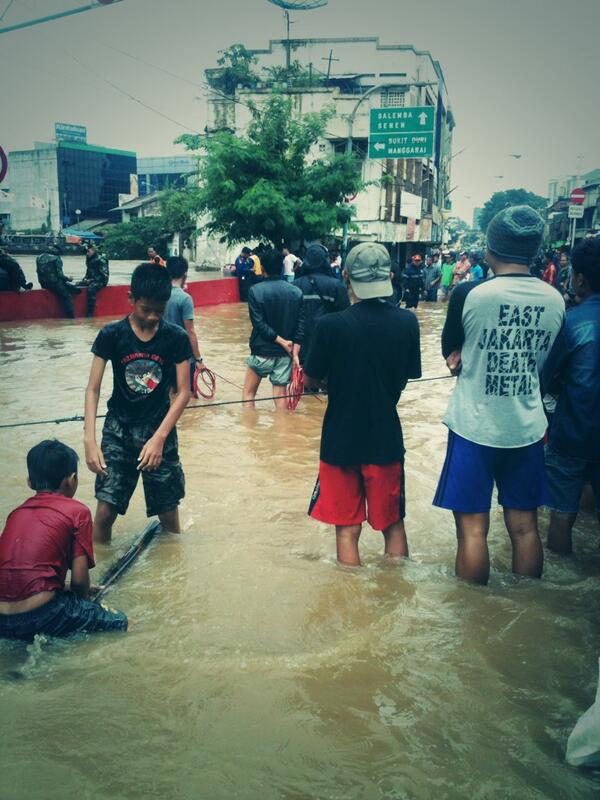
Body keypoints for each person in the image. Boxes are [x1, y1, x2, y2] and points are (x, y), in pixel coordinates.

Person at [433, 205, 565, 585]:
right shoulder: (555, 299)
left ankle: (474, 614)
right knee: (524, 528)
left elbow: (451, 354)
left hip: (474, 426)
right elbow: (546, 366)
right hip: (526, 428)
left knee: (473, 530)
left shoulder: (469, 294)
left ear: (489, 249)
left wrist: (460, 359)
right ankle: (525, 608)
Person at [303, 242, 421, 566]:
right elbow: (404, 378)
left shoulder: (329, 326)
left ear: (345, 277)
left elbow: (310, 380)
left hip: (340, 440)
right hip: (385, 439)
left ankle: (351, 606)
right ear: (390, 277)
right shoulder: (408, 322)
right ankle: (393, 598)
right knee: (393, 525)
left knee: (346, 530)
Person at [84, 262, 192, 543]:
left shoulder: (176, 337)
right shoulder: (112, 334)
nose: (153, 316)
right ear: (131, 299)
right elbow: (93, 389)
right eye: (146, 309)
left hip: (159, 431)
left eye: (160, 310)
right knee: (105, 512)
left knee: (168, 515)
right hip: (118, 431)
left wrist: (159, 438)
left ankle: (172, 572)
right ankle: (97, 573)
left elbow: (183, 392)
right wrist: (90, 440)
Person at [0, 440, 128, 640]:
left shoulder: (15, 514)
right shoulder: (77, 511)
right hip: (45, 613)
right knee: (125, 624)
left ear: (30, 482)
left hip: (3, 620)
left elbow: (19, 576)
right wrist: (86, 607)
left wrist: (64, 588)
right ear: (72, 479)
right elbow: (79, 584)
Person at [542, 237, 600, 555]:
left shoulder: (572, 321)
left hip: (573, 434)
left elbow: (547, 378)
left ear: (579, 279)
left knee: (562, 516)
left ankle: (559, 581)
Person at [243, 248, 305, 409]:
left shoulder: (255, 291)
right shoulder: (296, 292)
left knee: (248, 395)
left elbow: (259, 324)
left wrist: (282, 341)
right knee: (280, 398)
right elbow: (301, 327)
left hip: (262, 351)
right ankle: (283, 432)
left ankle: (250, 432)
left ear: (262, 268)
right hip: (286, 354)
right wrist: (294, 351)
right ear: (283, 267)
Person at [293, 244, 349, 363]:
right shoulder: (336, 286)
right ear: (325, 261)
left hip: (300, 347)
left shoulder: (294, 286)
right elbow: (346, 319)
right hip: (329, 345)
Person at [164, 255, 205, 389]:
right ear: (185, 273)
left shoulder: (159, 295)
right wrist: (199, 360)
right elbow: (190, 332)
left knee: (167, 394)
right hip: (183, 357)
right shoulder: (185, 298)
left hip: (162, 355)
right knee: (185, 395)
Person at [36, 245, 81, 318]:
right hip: (54, 284)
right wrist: (68, 279)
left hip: (43, 283)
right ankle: (71, 318)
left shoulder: (39, 257)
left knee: (64, 284)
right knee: (67, 296)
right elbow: (60, 275)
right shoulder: (56, 258)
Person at [79, 243, 109, 317]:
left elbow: (104, 276)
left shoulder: (101, 259)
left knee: (91, 289)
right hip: (92, 279)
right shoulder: (89, 258)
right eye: (86, 252)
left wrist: (91, 280)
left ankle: (90, 313)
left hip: (101, 281)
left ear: (93, 251)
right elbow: (88, 271)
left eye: (88, 251)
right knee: (78, 285)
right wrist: (85, 278)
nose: (87, 253)